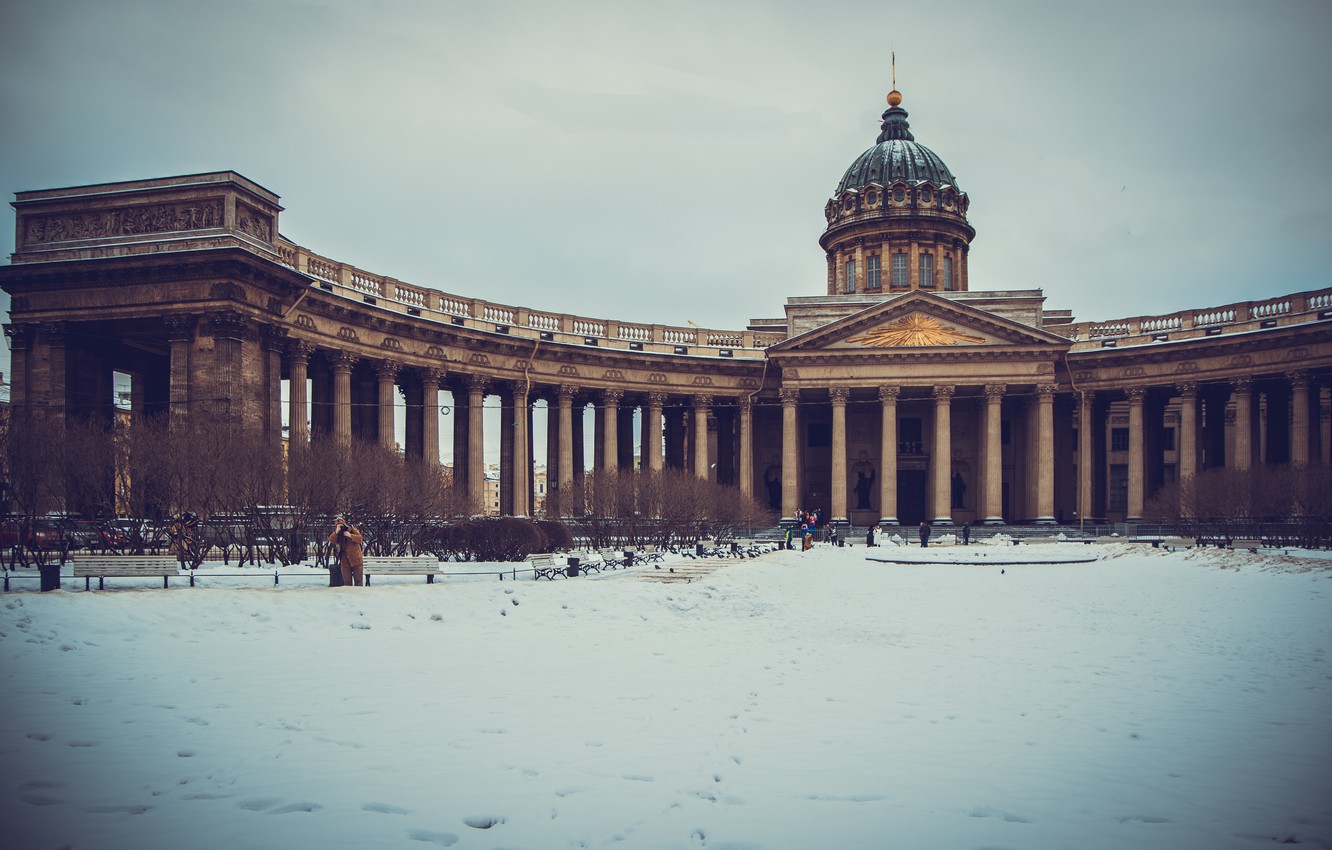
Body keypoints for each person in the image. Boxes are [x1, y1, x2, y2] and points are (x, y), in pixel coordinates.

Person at [328, 517, 365, 587]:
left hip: (356, 560)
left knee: (359, 582)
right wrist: (336, 531)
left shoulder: (352, 529)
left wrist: (350, 535)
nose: (341, 527)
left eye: (342, 525)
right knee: (347, 583)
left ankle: (359, 596)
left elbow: (360, 539)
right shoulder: (337, 534)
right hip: (345, 562)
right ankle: (348, 596)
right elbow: (331, 540)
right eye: (338, 526)